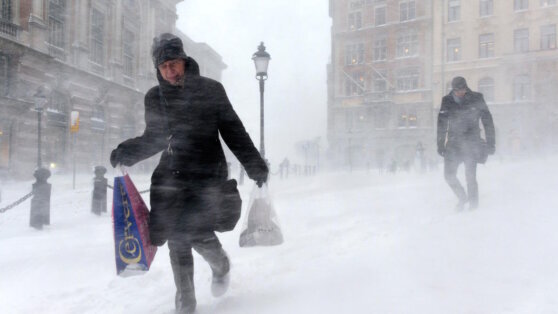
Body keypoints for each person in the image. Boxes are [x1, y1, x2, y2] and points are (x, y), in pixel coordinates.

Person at [109, 33, 268, 314]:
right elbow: (155, 138)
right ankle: (186, 305)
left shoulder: (211, 90)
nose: (170, 71)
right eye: (163, 67)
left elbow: (233, 131)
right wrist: (126, 152)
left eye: (173, 64)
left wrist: (254, 165)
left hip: (208, 179)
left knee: (199, 234)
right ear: (157, 70)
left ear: (183, 61)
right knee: (178, 240)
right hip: (172, 180)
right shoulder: (154, 98)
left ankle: (221, 264)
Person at [437, 76, 495, 211]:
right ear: (453, 89)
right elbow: (441, 124)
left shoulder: (477, 98)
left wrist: (491, 143)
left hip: (471, 144)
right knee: (449, 176)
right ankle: (462, 197)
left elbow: (488, 121)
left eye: (462, 89)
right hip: (453, 145)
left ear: (466, 87)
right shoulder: (447, 101)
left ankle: (474, 207)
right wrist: (440, 144)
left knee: (470, 177)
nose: (460, 92)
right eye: (457, 90)